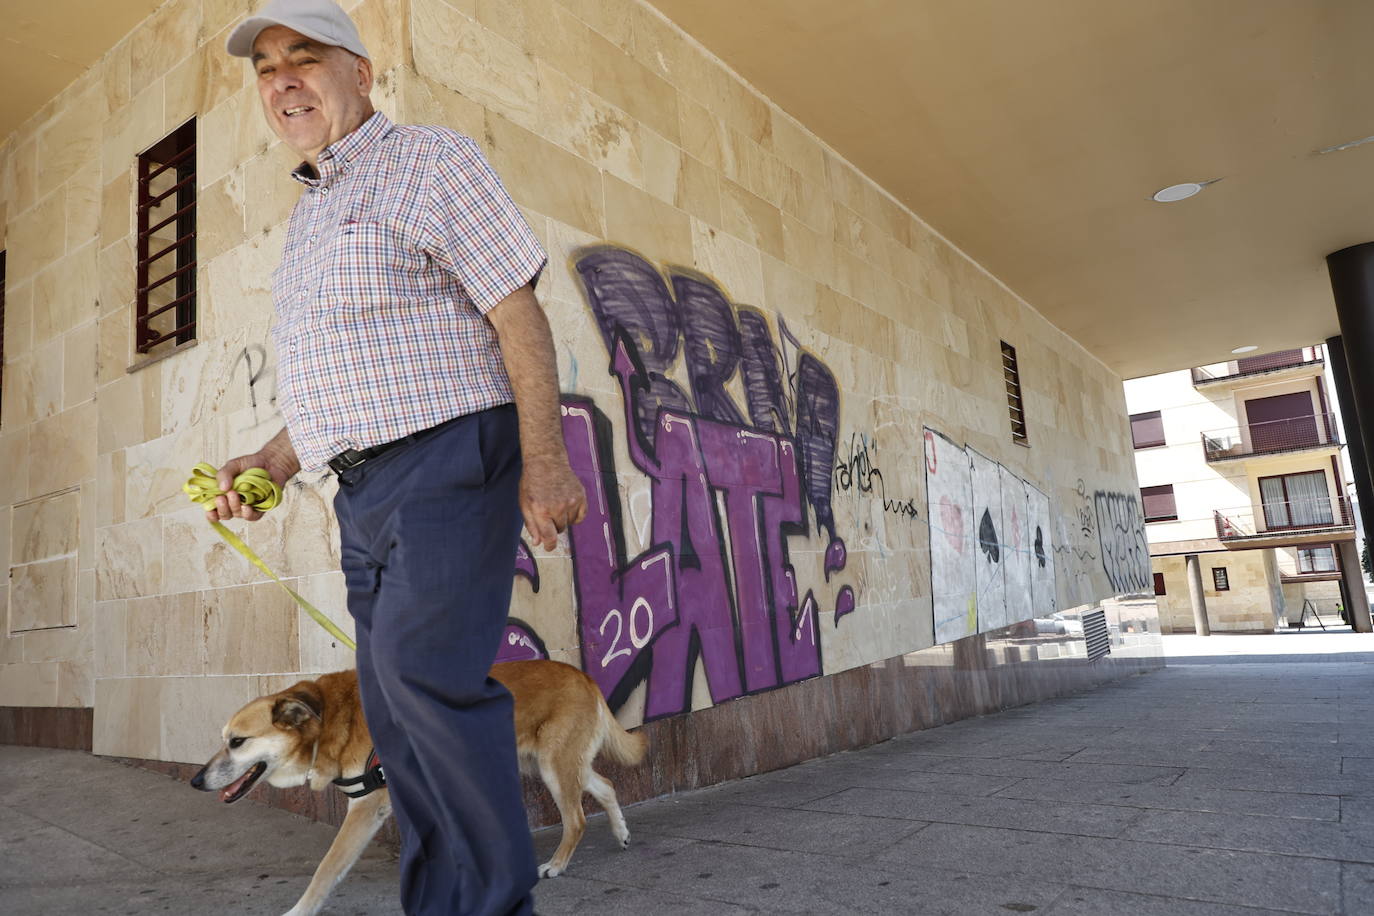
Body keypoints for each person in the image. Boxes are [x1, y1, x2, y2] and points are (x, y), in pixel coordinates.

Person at [211, 2, 587, 913]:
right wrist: (271, 459)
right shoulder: (310, 216)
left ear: (360, 73)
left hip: (448, 459)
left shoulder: (428, 161)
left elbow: (516, 311)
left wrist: (546, 456)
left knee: (429, 687)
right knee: (394, 715)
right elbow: (346, 377)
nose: (283, 80)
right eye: (266, 68)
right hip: (361, 493)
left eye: (304, 57)